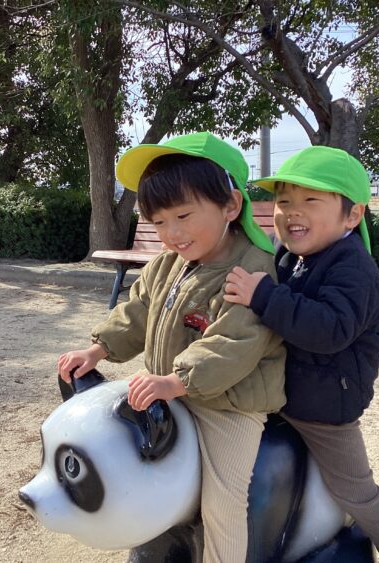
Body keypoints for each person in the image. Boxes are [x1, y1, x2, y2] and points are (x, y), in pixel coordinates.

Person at [57, 132, 287, 563]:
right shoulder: (169, 263)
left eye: (183, 215)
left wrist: (177, 380)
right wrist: (98, 349)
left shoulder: (252, 269)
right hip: (171, 389)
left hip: (228, 403)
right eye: (159, 222)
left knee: (223, 502)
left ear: (230, 206)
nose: (172, 233)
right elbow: (138, 309)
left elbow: (235, 341)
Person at [223, 145, 379, 563]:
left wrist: (264, 296)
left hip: (324, 405)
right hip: (281, 393)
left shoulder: (353, 267)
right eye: (284, 201)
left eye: (310, 200)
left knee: (355, 492)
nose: (292, 212)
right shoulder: (290, 255)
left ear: (352, 215)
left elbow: (330, 329)